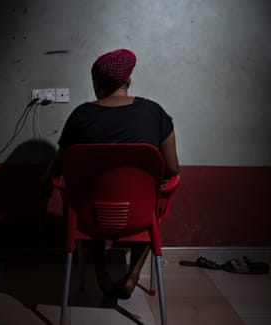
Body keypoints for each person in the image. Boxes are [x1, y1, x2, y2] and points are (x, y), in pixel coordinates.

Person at [41, 48, 179, 299]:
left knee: (86, 193)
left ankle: (101, 273)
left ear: (97, 83)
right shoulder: (154, 112)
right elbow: (173, 169)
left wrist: (46, 182)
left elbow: (59, 165)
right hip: (138, 216)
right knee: (154, 205)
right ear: (128, 80)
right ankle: (133, 275)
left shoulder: (81, 115)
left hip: (89, 217)